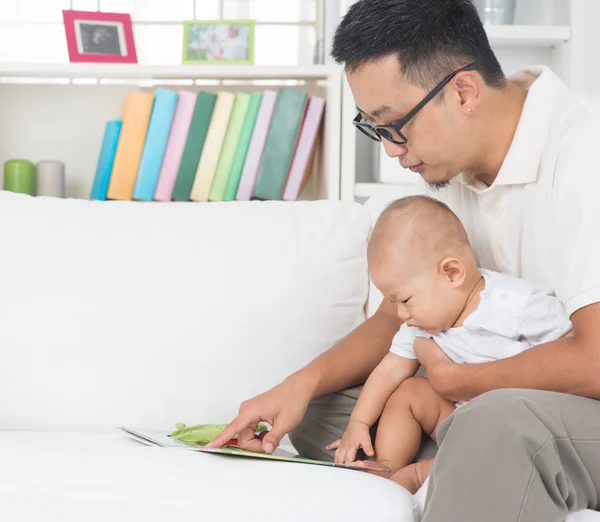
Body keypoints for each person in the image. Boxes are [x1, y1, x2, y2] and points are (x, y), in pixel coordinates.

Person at [208, 0, 600, 519]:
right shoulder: (445, 170)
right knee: (326, 413)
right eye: (373, 127)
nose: (393, 150)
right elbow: (396, 318)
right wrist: (298, 386)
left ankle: (477, 455)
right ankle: (468, 464)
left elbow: (595, 360)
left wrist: (465, 384)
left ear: (463, 92)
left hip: (568, 403)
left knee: (494, 422)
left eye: (395, 124)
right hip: (478, 397)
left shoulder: (583, 153)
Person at [325, 195, 572, 494]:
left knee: (491, 446)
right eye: (392, 302)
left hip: (511, 428)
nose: (401, 314)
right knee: (408, 391)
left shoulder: (518, 305)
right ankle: (389, 464)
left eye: (404, 300)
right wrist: (359, 422)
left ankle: (418, 475)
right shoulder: (419, 325)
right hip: (457, 419)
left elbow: (568, 351)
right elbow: (388, 371)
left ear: (452, 273)